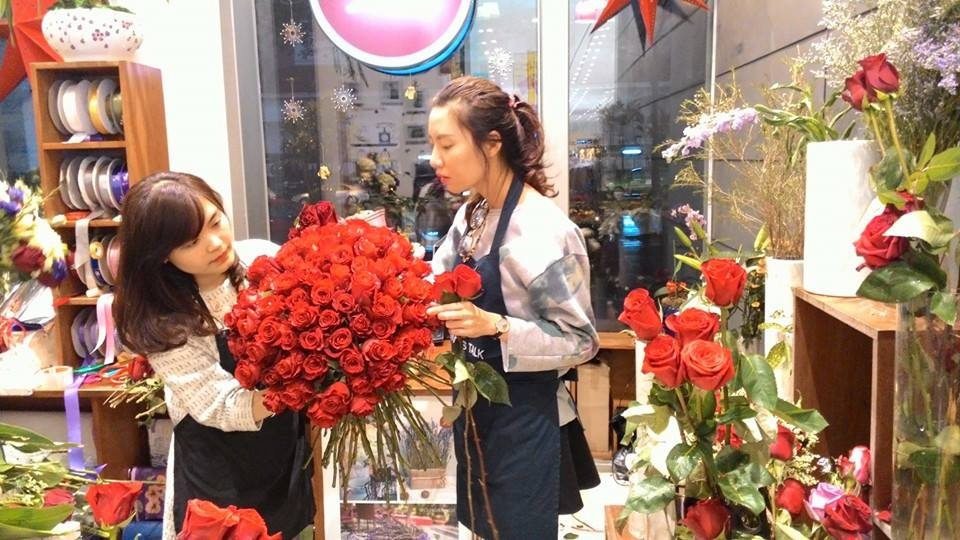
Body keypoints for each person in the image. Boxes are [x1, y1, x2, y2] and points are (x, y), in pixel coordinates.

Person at [425, 77, 601, 539]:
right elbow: (435, 282)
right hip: (475, 412)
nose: (434, 159)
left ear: (492, 143)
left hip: (525, 421)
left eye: (447, 144)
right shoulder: (472, 213)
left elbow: (581, 341)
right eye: (433, 145)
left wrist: (495, 325)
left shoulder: (543, 231)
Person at [114, 172, 314, 540]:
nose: (215, 243)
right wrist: (299, 387)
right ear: (162, 255)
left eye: (215, 221)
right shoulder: (165, 322)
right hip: (218, 475)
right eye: (191, 242)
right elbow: (218, 404)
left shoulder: (262, 259)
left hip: (281, 457)